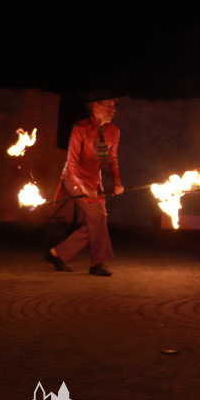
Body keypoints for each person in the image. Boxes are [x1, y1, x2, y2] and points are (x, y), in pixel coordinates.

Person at [44, 89, 124, 276]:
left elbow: (112, 160)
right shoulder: (80, 128)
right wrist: (83, 186)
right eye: (108, 104)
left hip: (94, 181)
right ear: (95, 106)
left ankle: (57, 254)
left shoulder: (113, 131)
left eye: (114, 105)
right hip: (73, 178)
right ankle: (97, 264)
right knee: (98, 217)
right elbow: (72, 163)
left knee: (97, 221)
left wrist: (117, 182)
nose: (113, 109)